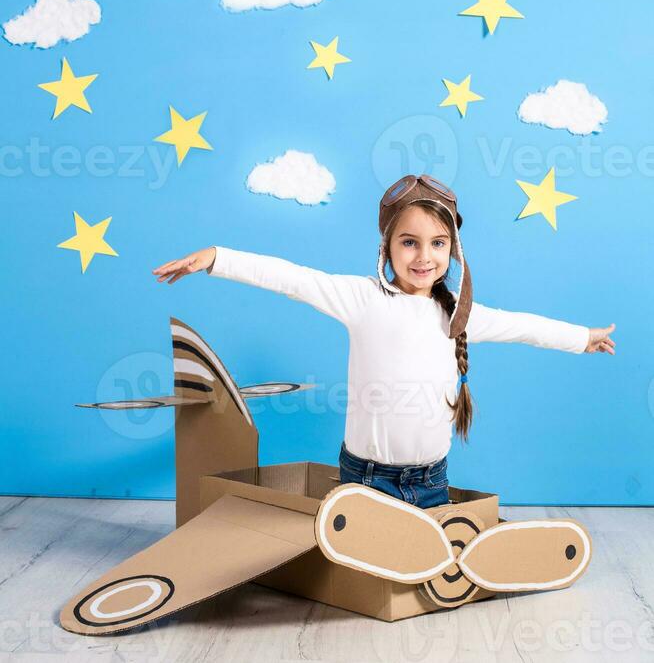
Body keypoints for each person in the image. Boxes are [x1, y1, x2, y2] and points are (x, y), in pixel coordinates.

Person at [152, 174, 616, 510]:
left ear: (452, 250)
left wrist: (584, 338)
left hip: (432, 481)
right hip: (365, 481)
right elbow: (293, 279)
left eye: (438, 244)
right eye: (409, 242)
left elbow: (523, 327)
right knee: (368, 573)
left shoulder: (457, 314)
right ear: (387, 247)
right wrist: (217, 258)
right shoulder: (362, 299)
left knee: (424, 577)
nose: (424, 256)